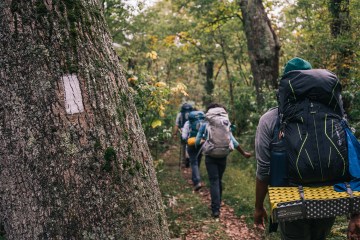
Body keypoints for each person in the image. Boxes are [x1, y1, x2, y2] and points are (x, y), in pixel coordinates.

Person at [254, 57, 360, 240]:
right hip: (329, 196)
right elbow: (353, 159)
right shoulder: (335, 116)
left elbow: (264, 169)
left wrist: (258, 206)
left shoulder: (270, 119)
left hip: (290, 197)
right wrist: (356, 212)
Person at [196, 103, 252, 218]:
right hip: (223, 156)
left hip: (210, 156)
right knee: (219, 180)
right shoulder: (224, 123)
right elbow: (234, 142)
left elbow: (197, 142)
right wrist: (244, 154)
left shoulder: (206, 124)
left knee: (214, 181)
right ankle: (219, 203)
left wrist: (201, 143)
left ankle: (215, 210)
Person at [181, 110, 205, 191]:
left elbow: (184, 136)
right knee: (198, 160)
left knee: (193, 162)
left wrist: (185, 140)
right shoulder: (203, 122)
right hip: (201, 143)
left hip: (191, 143)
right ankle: (194, 179)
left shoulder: (188, 123)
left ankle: (197, 181)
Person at [173, 103, 193, 168]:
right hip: (192, 131)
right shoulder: (193, 114)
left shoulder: (180, 114)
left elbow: (176, 125)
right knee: (191, 145)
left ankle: (184, 161)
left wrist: (175, 134)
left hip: (183, 132)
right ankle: (190, 159)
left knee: (184, 146)